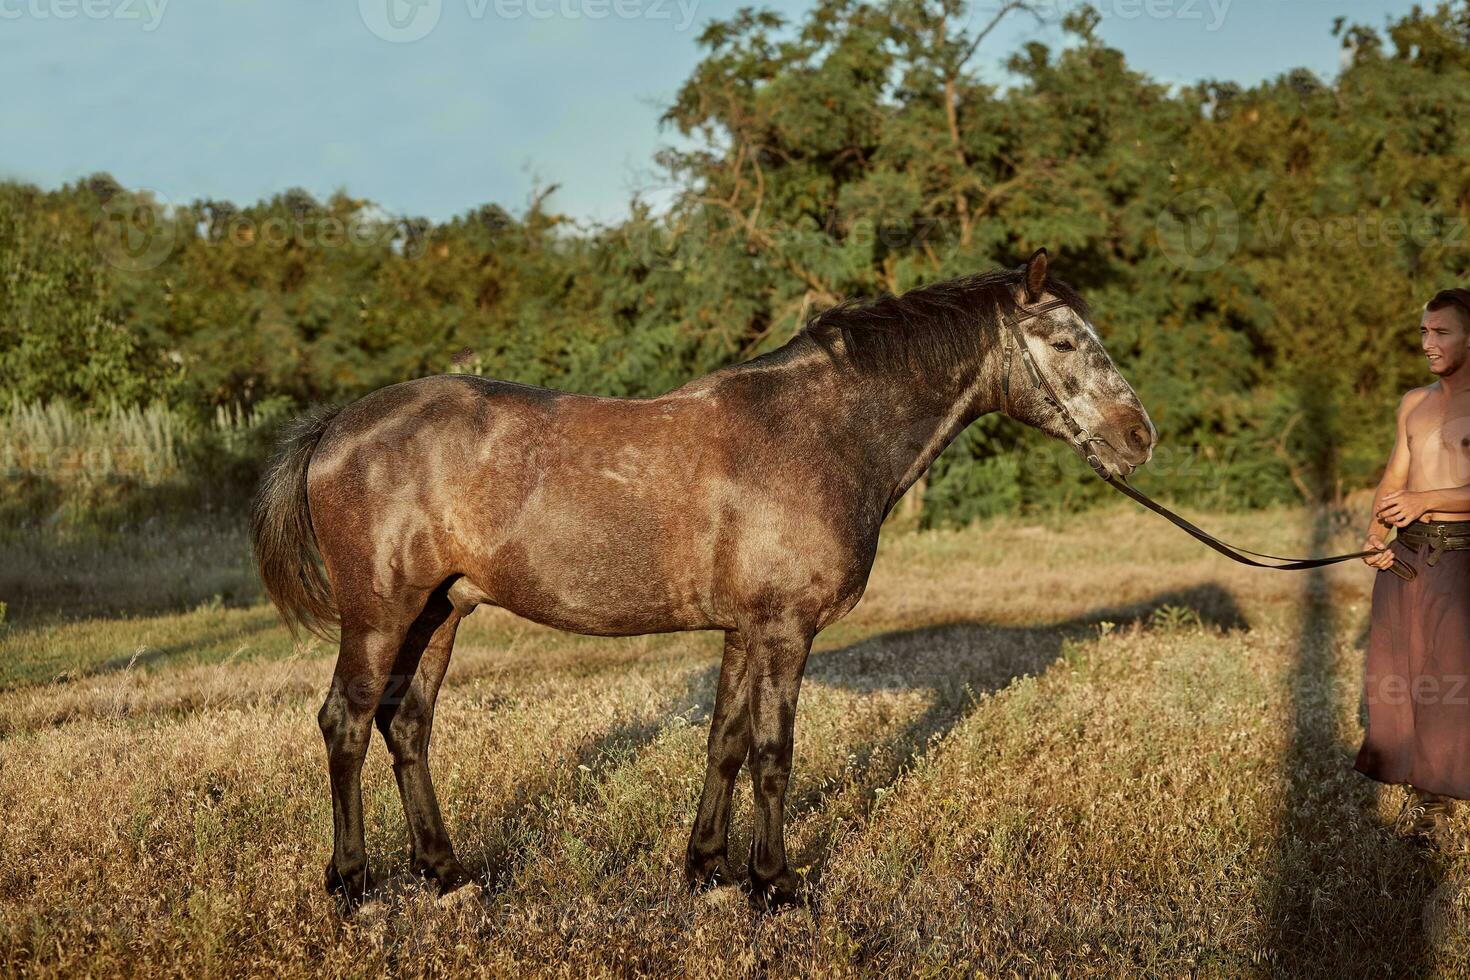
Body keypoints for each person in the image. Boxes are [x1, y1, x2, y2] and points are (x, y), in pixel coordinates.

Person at [1357, 287, 1470, 845]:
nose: (1428, 343)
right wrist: (1377, 534)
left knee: (1445, 677)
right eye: (1424, 331)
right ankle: (1421, 784)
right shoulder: (1413, 403)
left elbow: (1427, 493)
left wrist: (1428, 501)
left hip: (1463, 551)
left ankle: (1436, 805)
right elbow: (1395, 478)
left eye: (1441, 331)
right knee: (1396, 674)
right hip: (1408, 554)